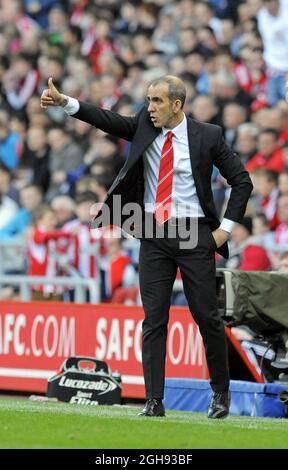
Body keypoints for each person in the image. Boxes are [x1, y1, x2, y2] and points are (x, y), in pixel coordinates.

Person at [41, 75, 253, 419]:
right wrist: (66, 102)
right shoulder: (144, 124)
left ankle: (220, 394)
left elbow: (242, 180)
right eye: (148, 100)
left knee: (206, 317)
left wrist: (225, 231)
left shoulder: (208, 136)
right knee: (154, 319)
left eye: (156, 101)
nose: (149, 107)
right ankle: (154, 401)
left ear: (177, 105)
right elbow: (107, 119)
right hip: (152, 231)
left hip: (192, 233)